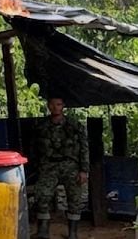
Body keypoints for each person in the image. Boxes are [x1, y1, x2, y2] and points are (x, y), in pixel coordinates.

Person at [34, 96, 89, 239]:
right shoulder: (41, 125)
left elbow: (84, 147)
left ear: (63, 106)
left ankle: (73, 233)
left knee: (74, 199)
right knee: (42, 195)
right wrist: (37, 166)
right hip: (49, 165)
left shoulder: (74, 125)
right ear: (48, 106)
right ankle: (43, 230)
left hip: (70, 165)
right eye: (52, 104)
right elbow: (35, 148)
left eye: (58, 104)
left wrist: (84, 170)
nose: (55, 107)